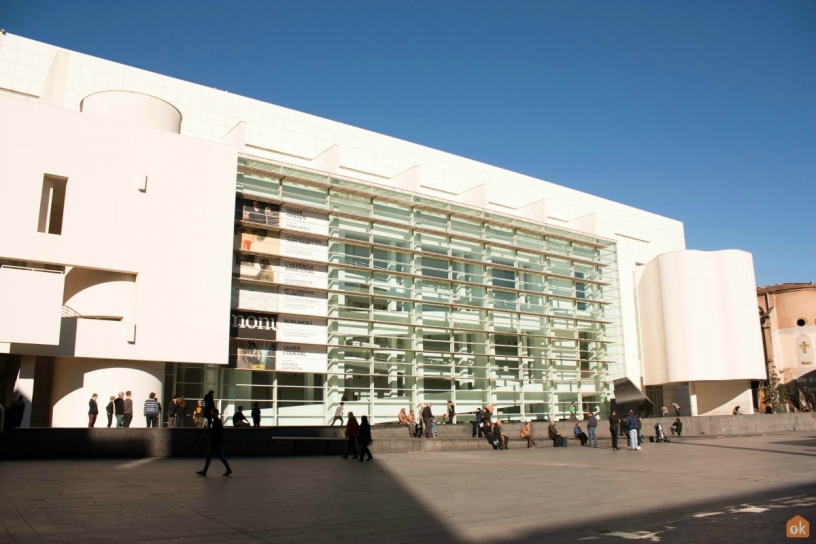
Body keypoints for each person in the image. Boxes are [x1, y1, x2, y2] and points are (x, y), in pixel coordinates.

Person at [196, 408, 232, 477]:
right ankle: (205, 471)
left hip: (216, 442)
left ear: (215, 413)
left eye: (212, 413)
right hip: (215, 441)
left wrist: (208, 429)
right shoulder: (215, 421)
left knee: (219, 456)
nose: (210, 414)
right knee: (211, 456)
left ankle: (228, 469)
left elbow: (215, 432)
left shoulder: (217, 421)